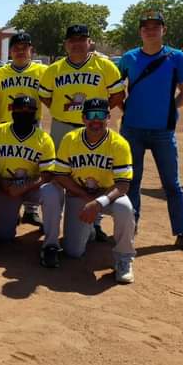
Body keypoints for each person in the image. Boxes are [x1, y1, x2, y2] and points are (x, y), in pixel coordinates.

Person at [118, 10, 183, 254]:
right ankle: (129, 228)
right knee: (131, 182)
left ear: (164, 30)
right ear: (140, 31)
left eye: (156, 26)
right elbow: (114, 89)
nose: (150, 30)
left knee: (172, 184)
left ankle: (182, 232)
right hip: (132, 129)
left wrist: (170, 108)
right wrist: (126, 108)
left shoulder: (175, 58)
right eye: (146, 26)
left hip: (163, 131)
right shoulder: (129, 58)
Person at [39, 24, 125, 241]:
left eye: (81, 39)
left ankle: (95, 223)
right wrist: (60, 111)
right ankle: (53, 221)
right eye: (72, 40)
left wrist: (98, 116)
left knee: (98, 175)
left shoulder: (104, 66)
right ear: (66, 44)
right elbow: (45, 97)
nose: (77, 43)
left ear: (90, 42)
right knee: (59, 177)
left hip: (95, 128)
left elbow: (117, 96)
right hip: (62, 126)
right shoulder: (54, 69)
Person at [52, 99, 137, 283]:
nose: (96, 120)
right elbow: (60, 175)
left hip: (109, 194)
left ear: (108, 118)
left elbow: (123, 184)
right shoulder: (71, 139)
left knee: (125, 208)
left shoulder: (119, 144)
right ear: (83, 118)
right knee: (73, 252)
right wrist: (86, 197)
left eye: (101, 115)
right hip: (80, 193)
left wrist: (99, 202)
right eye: (91, 115)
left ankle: (124, 259)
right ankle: (89, 230)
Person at [0, 96, 63, 267]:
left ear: (36, 114)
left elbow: (47, 174)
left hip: (32, 186)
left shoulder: (43, 139)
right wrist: (1, 183)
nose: (24, 114)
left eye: (29, 111)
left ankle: (51, 245)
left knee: (53, 191)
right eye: (20, 110)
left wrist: (24, 186)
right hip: (7, 187)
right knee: (3, 237)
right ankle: (9, 216)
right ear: (12, 110)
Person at [0, 31, 47, 227]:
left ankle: (31, 211)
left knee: (33, 166)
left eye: (25, 48)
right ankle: (5, 207)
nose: (20, 51)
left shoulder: (43, 72)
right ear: (11, 51)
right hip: (5, 126)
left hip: (33, 125)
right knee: (3, 168)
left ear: (31, 50)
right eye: (16, 48)